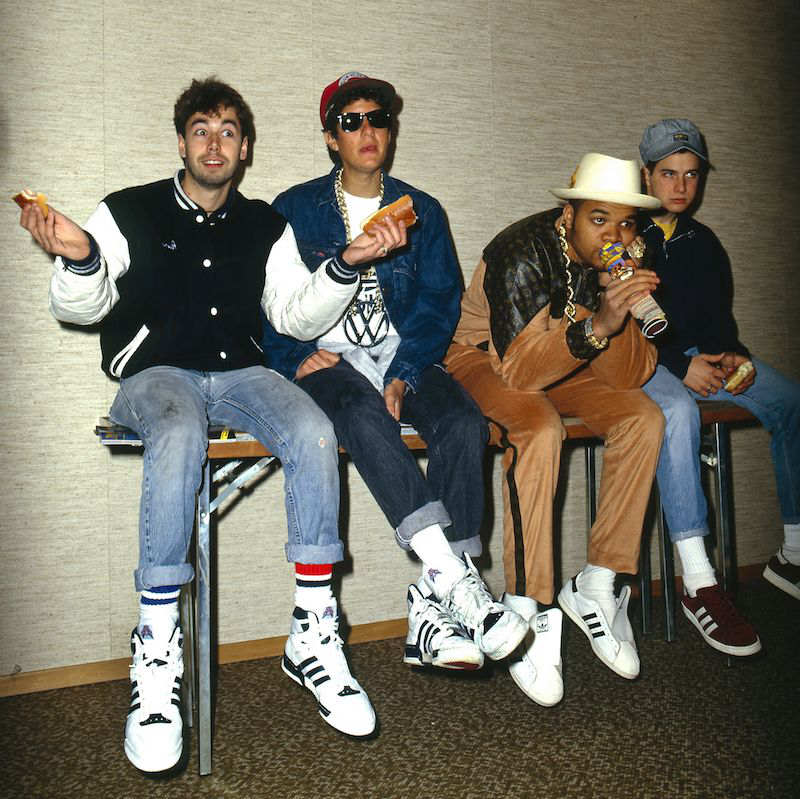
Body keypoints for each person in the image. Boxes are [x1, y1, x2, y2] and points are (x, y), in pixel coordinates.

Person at [17, 77, 411, 773]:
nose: (214, 142)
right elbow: (79, 307)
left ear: (245, 148)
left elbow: (294, 314)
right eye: (201, 128)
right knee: (177, 433)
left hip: (241, 374)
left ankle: (313, 631)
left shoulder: (267, 226)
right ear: (181, 142)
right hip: (155, 376)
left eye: (228, 130)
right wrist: (79, 256)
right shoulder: (125, 211)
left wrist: (347, 263)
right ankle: (158, 648)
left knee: (315, 427)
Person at [260, 71, 528, 672]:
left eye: (377, 118)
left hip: (400, 353)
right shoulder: (292, 210)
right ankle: (456, 583)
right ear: (331, 137)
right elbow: (268, 303)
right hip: (329, 357)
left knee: (462, 421)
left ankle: (436, 609)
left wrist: (406, 371)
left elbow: (440, 303)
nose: (367, 131)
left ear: (391, 129)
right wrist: (291, 358)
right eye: (351, 121)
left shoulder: (423, 209)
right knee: (360, 415)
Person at [445, 153, 665, 704]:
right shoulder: (521, 249)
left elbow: (631, 374)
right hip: (482, 359)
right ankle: (528, 605)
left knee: (644, 416)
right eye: (598, 219)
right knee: (539, 429)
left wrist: (625, 310)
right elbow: (517, 372)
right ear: (568, 214)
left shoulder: (620, 258)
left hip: (563, 357)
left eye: (625, 223)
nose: (612, 234)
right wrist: (598, 324)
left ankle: (597, 584)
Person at [638, 119, 800, 652]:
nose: (681, 186)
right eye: (669, 174)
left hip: (697, 357)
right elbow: (614, 331)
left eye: (691, 174)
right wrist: (677, 365)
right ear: (646, 175)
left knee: (789, 400)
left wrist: (734, 358)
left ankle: (793, 555)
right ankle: (697, 580)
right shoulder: (621, 234)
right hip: (641, 364)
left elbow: (717, 324)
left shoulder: (703, 241)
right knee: (679, 412)